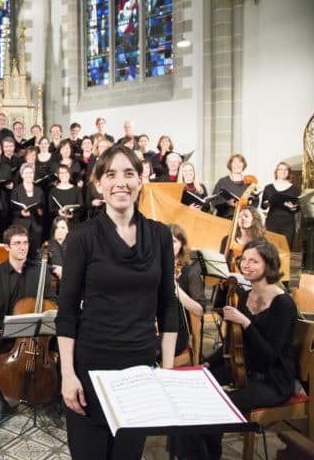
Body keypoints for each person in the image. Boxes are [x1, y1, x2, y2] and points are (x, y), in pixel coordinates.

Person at [56, 146, 178, 459]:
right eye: (111, 174)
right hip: (91, 366)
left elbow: (168, 306)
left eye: (129, 173)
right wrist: (68, 375)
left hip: (139, 366)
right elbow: (67, 312)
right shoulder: (82, 237)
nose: (120, 182)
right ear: (98, 184)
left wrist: (167, 370)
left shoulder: (161, 236)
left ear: (141, 180)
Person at [177, 240, 296, 459]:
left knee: (214, 408)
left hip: (272, 380)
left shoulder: (283, 304)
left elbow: (269, 356)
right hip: (244, 367)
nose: (246, 265)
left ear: (269, 265)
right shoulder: (244, 295)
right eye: (244, 260)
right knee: (191, 394)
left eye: (254, 261)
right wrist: (209, 362)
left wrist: (247, 323)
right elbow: (234, 341)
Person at [0, 225, 56, 426]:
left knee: (65, 344)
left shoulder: (40, 270)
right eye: (17, 243)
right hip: (5, 331)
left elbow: (53, 299)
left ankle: (56, 399)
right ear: (6, 247)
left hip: (36, 335)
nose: (22, 247)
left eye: (25, 243)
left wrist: (53, 310)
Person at [168, 224, 204, 357]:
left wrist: (176, 289)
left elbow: (199, 310)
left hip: (175, 333)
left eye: (173, 241)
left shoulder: (190, 271)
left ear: (181, 245)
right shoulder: (153, 265)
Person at [261, 161, 300, 248]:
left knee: (285, 250)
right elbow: (263, 206)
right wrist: (266, 203)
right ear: (276, 172)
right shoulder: (268, 188)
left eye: (286, 170)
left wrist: (293, 208)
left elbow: (298, 208)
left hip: (288, 224)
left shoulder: (294, 189)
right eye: (280, 169)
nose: (283, 171)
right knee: (270, 250)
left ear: (288, 172)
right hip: (272, 222)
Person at [10, 163, 45, 256]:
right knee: (21, 253)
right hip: (21, 226)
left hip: (36, 226)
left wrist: (40, 212)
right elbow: (12, 210)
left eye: (31, 173)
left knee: (35, 254)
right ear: (22, 175)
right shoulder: (16, 190)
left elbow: (43, 208)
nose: (29, 175)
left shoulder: (39, 190)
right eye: (26, 173)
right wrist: (21, 212)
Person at [212, 154, 257, 219]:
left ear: (243, 165)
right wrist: (227, 203)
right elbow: (214, 202)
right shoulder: (222, 182)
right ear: (230, 165)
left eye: (240, 162)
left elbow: (255, 203)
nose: (237, 165)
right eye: (234, 163)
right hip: (224, 219)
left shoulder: (249, 182)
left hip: (243, 220)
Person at [48, 216, 69, 281]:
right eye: (57, 228)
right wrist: (53, 268)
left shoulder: (74, 245)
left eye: (63, 228)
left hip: (71, 281)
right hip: (53, 281)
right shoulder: (47, 245)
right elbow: (40, 265)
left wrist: (65, 271)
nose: (59, 230)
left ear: (67, 230)